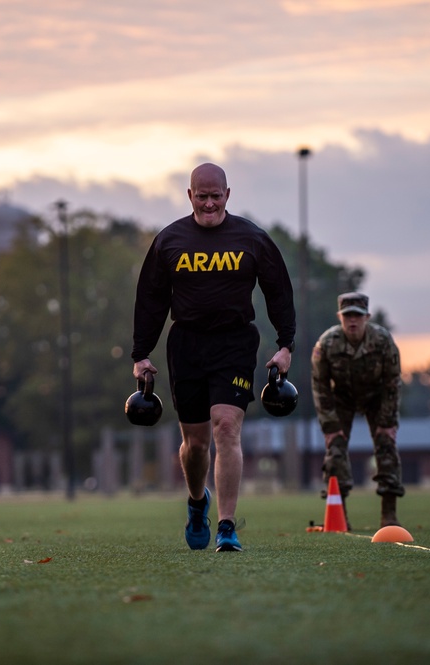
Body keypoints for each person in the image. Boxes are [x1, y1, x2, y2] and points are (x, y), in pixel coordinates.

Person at [131, 163, 296, 552]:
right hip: (186, 344)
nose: (208, 203)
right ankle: (196, 502)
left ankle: (226, 526)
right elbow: (151, 301)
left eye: (215, 195)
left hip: (235, 343)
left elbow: (279, 292)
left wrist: (285, 344)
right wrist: (140, 354)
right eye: (201, 196)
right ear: (190, 196)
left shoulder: (252, 238)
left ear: (227, 194)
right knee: (196, 445)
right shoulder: (169, 241)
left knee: (226, 427)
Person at [310, 292, 404, 529]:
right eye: (348, 315)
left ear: (367, 317)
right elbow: (320, 386)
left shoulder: (383, 341)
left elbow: (392, 382)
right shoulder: (326, 344)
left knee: (386, 445)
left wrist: (387, 421)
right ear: (339, 317)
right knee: (335, 451)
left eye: (358, 316)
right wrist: (330, 426)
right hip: (342, 398)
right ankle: (338, 514)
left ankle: (389, 514)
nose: (353, 321)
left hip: (377, 397)